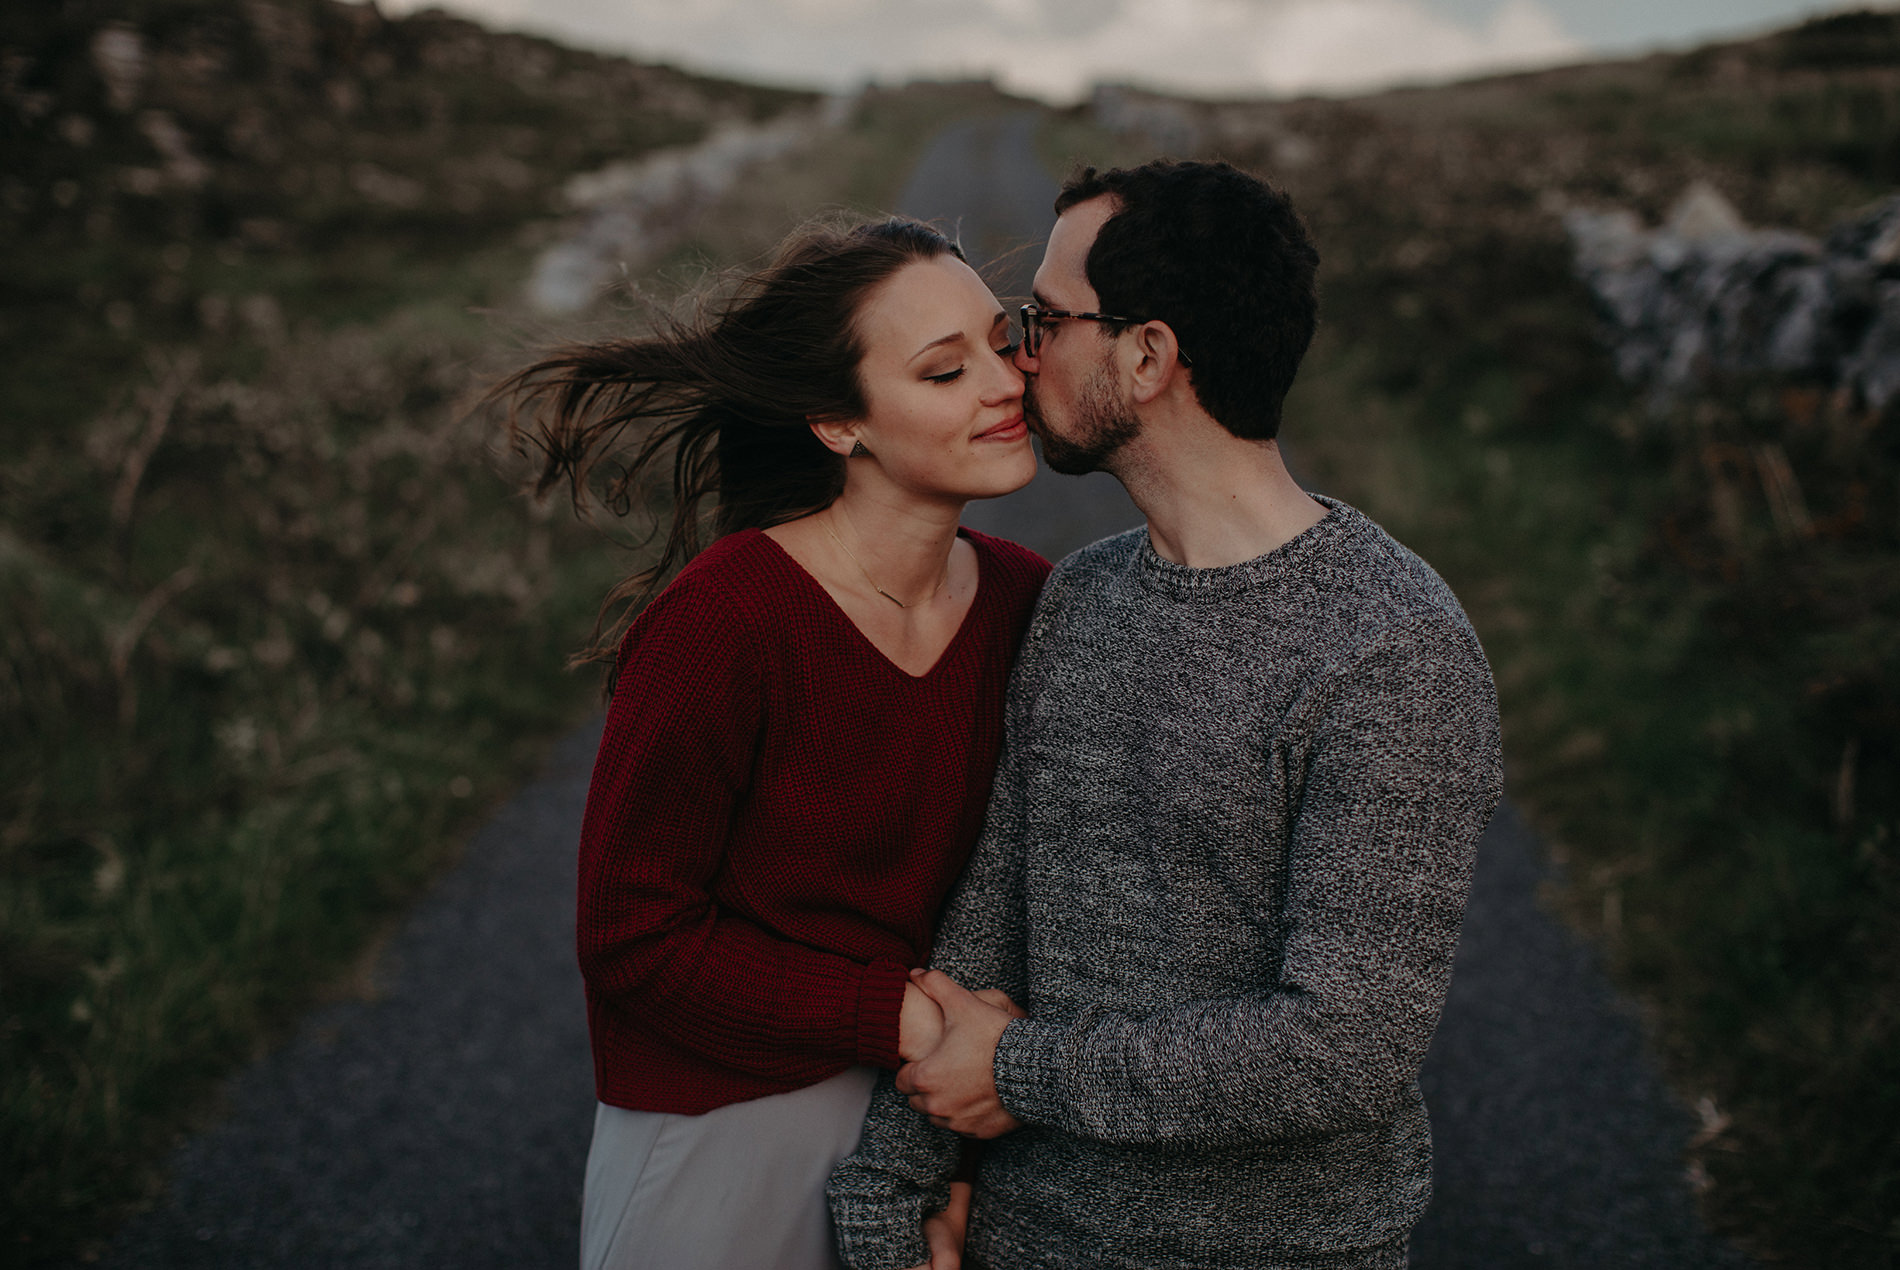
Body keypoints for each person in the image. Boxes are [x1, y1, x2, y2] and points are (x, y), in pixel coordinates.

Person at [828, 160, 1503, 1269]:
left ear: (1145, 357)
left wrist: (1018, 1070)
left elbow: (1343, 1046)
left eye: (1042, 320)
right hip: (1026, 1234)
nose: (1017, 352)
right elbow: (990, 921)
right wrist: (893, 1192)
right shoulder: (1080, 598)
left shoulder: (1389, 647)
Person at [492, 216, 1052, 1270]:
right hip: (722, 1141)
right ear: (840, 424)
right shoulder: (728, 620)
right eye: (944, 370)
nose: (1004, 380)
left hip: (929, 1122)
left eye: (1000, 337)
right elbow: (632, 935)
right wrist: (889, 1014)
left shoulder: (1028, 601)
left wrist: (960, 1163)